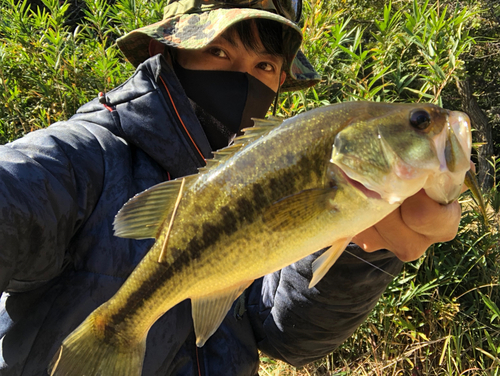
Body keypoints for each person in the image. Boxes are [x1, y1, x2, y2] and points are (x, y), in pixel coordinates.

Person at [0, 0, 464, 375]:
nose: (243, 77)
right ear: (170, 50)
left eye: (264, 64)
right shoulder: (82, 156)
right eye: (219, 51)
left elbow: (291, 339)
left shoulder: (282, 173)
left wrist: (367, 248)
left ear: (281, 80)